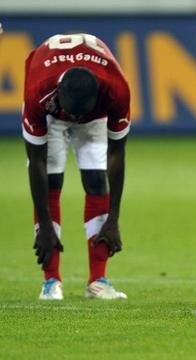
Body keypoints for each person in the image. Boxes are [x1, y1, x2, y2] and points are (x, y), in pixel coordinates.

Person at [23, 33, 130, 300]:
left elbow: (117, 155)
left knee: (96, 179)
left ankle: (98, 281)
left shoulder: (116, 89)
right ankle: (50, 282)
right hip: (51, 115)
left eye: (79, 114)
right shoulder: (38, 90)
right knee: (50, 180)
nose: (75, 119)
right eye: (73, 113)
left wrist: (114, 219)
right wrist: (45, 225)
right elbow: (35, 160)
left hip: (94, 113)